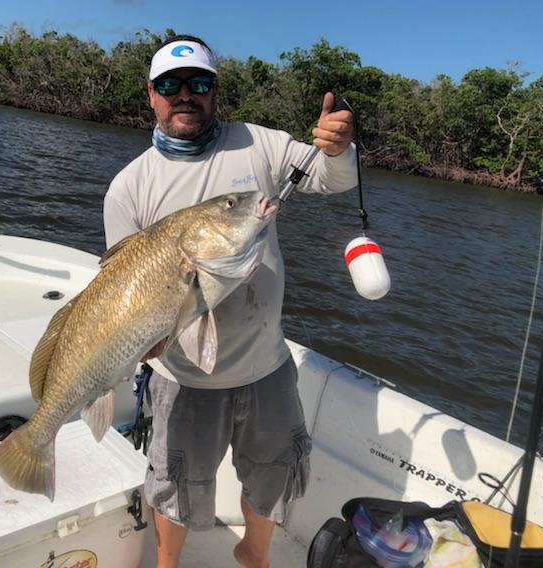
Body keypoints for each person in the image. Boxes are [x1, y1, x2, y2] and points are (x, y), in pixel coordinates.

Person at [103, 35, 357, 568]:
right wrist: (145, 339)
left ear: (215, 92)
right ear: (150, 94)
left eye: (199, 83)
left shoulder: (259, 143)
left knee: (273, 473)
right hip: (183, 377)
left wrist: (337, 149)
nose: (185, 94)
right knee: (174, 486)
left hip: (266, 364)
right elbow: (120, 288)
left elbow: (331, 178)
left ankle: (254, 555)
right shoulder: (129, 188)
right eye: (170, 85)